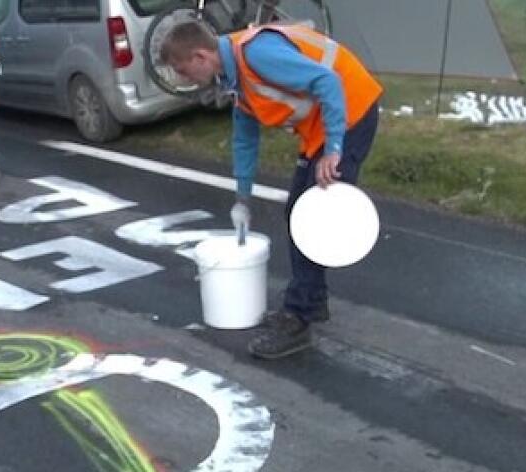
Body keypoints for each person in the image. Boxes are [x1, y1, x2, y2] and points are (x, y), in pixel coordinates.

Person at [159, 20, 382, 360]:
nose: (183, 79)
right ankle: (312, 301)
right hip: (321, 128)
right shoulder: (233, 74)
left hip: (350, 114)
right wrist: (242, 199)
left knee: (312, 219)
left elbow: (328, 80)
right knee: (296, 211)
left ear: (201, 56)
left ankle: (298, 318)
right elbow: (244, 139)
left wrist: (335, 149)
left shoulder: (257, 55)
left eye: (183, 70)